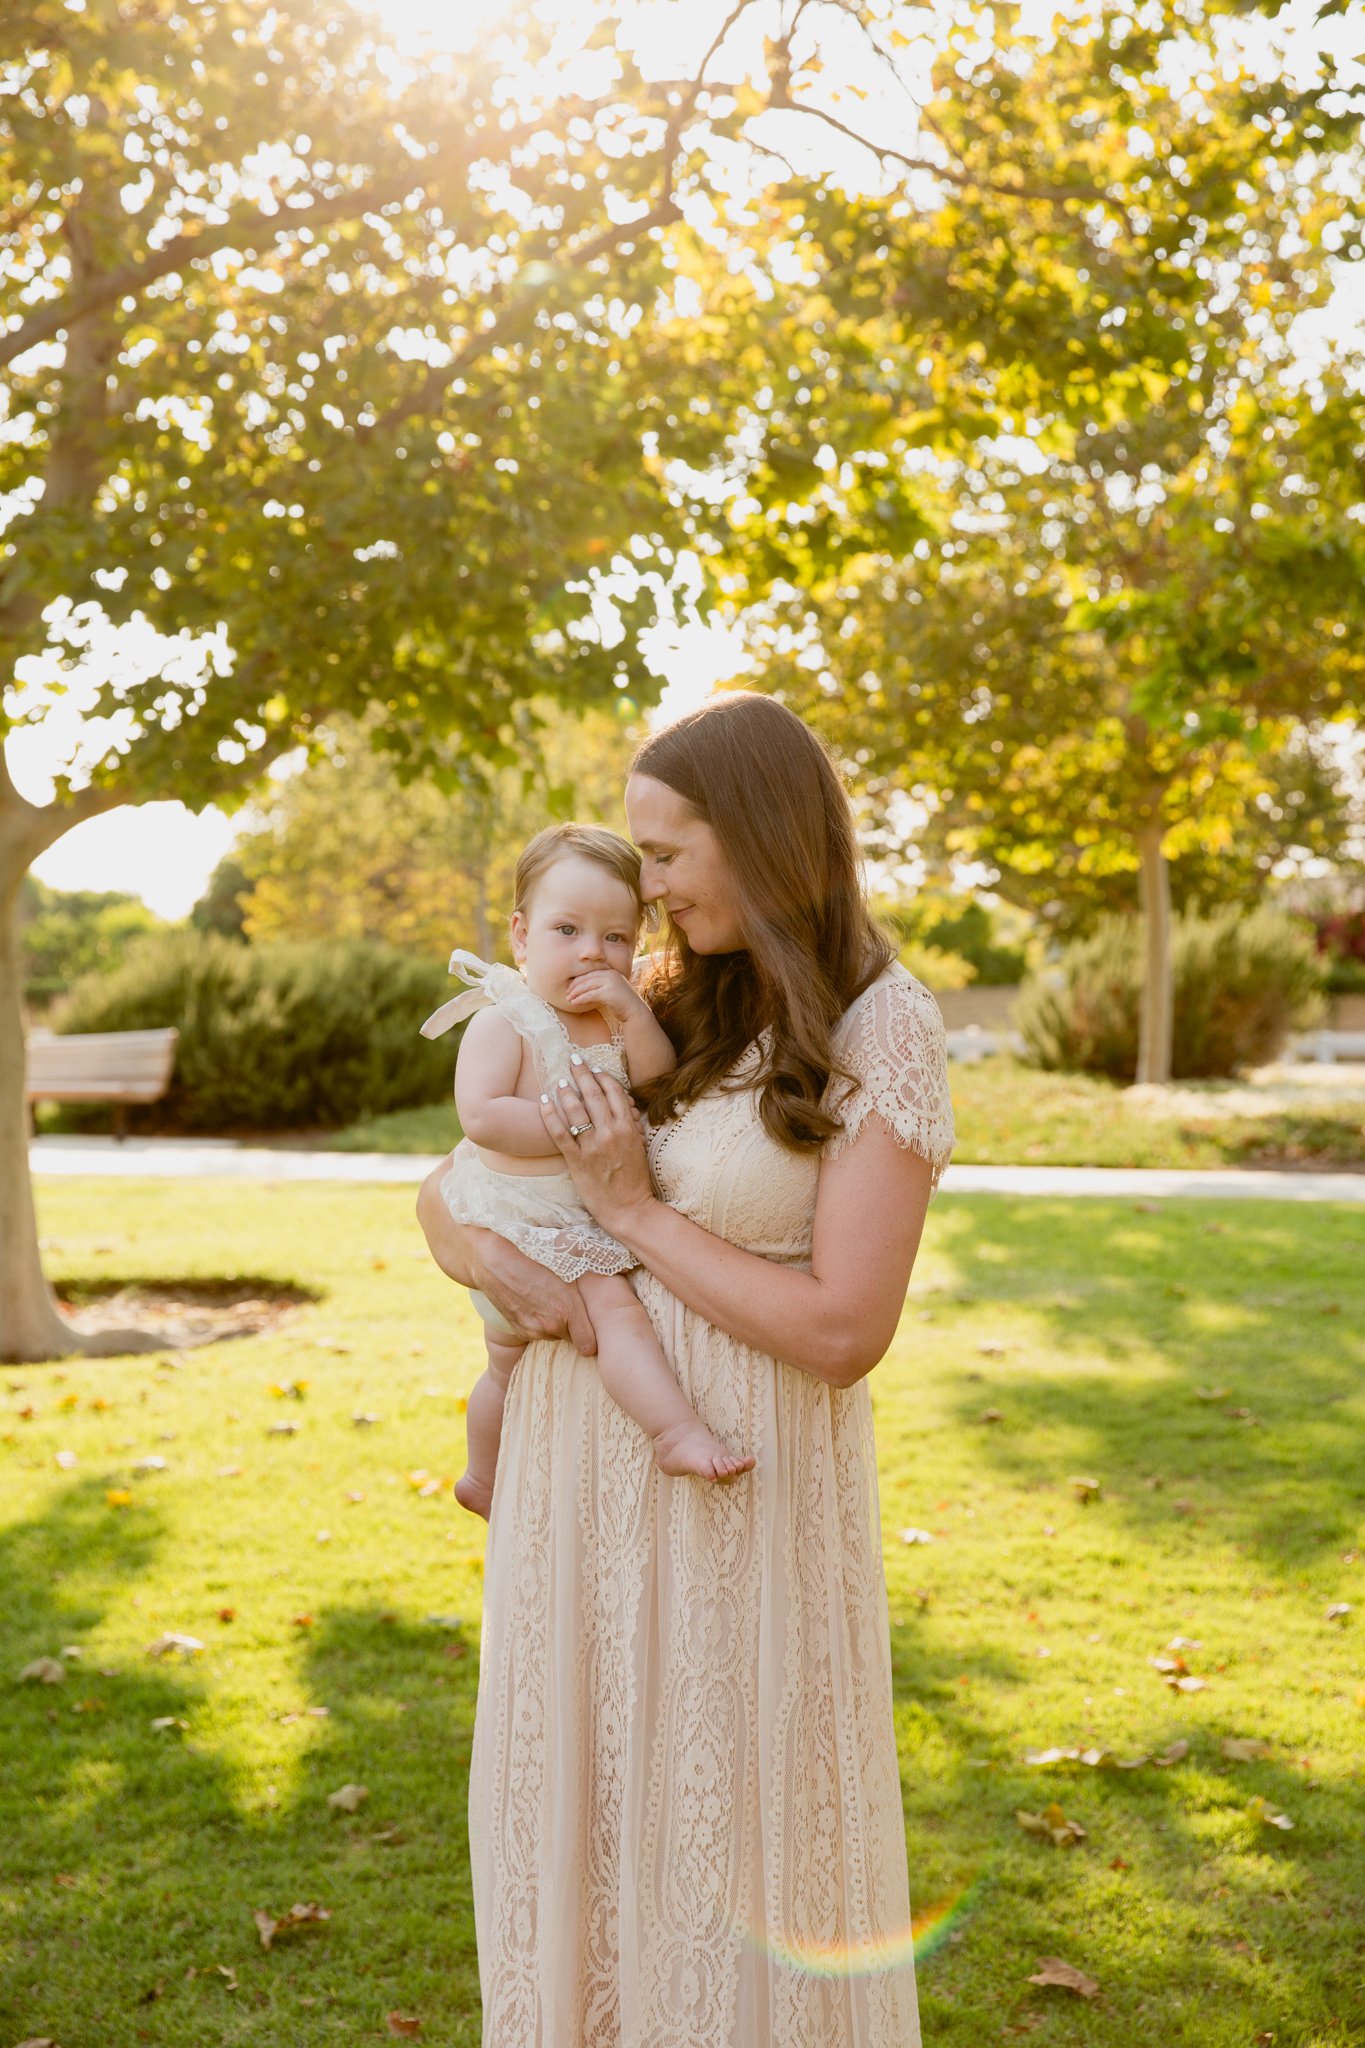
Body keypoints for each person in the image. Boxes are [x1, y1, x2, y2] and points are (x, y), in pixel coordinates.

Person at [417, 693, 955, 2047]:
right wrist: (474, 1250)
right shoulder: (665, 997)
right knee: (589, 1834)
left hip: (739, 1508)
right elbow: (458, 1181)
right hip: (572, 1495)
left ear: (761, 836)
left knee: (733, 1853)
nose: (644, 890)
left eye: (666, 855)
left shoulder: (884, 1026)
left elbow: (846, 1330)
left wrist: (638, 1216)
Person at [420, 823, 755, 1517]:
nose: (589, 954)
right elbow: (481, 1116)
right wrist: (575, 1131)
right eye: (566, 930)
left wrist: (631, 1011)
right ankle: (673, 1430)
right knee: (607, 1319)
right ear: (520, 936)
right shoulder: (505, 1021)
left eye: (614, 938)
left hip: (571, 1217)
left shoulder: (611, 1019)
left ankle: (481, 1481)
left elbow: (656, 1081)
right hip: (524, 1224)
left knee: (507, 1368)